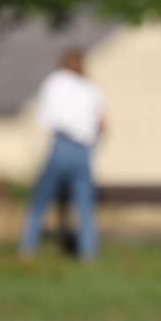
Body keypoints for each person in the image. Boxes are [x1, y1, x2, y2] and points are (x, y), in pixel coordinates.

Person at [19, 49, 104, 260]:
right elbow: (102, 124)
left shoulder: (54, 82)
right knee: (84, 205)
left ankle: (27, 249)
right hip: (82, 149)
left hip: (61, 145)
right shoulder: (90, 89)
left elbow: (45, 117)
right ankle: (88, 254)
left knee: (40, 200)